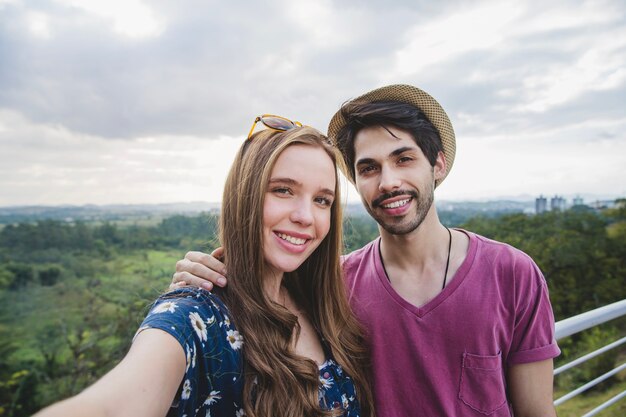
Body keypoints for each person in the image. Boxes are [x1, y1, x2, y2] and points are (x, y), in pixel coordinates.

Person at [171, 85, 561, 417]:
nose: (389, 181)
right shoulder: (332, 286)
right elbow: (257, 292)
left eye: (404, 159)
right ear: (356, 181)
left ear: (437, 164)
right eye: (369, 168)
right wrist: (198, 279)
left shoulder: (512, 273)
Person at [35, 122, 375, 417]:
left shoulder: (325, 301)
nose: (305, 216)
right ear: (245, 196)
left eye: (322, 200)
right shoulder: (196, 317)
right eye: (283, 190)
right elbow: (112, 405)